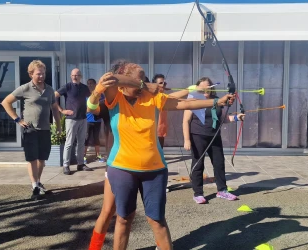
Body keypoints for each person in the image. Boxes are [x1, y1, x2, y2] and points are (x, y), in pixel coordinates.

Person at [87, 60, 235, 250]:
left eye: (144, 79)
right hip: (121, 168)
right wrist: (145, 84)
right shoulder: (115, 98)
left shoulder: (151, 97)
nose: (144, 83)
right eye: (139, 79)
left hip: (155, 170)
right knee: (124, 219)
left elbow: (183, 103)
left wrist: (216, 101)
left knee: (157, 220)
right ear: (125, 83)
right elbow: (111, 79)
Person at [1, 60, 61, 200]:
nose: (42, 76)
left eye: (43, 73)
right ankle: (34, 185)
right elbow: (6, 102)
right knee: (32, 159)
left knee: (42, 160)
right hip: (30, 129)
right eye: (39, 74)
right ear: (31, 74)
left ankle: (38, 183)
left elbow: (54, 108)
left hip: (45, 129)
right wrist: (17, 119)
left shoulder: (49, 89)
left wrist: (58, 125)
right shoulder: (25, 88)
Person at [182, 77, 245, 204]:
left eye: (208, 87)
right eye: (203, 87)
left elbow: (224, 119)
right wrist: (187, 140)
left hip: (214, 136)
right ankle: (198, 193)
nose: (206, 89)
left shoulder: (217, 100)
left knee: (219, 163)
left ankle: (222, 190)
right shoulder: (192, 100)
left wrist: (237, 118)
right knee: (198, 165)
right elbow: (186, 121)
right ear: (197, 88)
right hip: (197, 136)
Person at [55, 68, 93, 175]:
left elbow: (91, 99)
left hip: (83, 118)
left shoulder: (85, 88)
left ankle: (80, 164)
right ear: (71, 76)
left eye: (77, 75)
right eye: (73, 75)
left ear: (80, 76)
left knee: (81, 143)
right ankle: (66, 165)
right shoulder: (67, 86)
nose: (74, 77)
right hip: (71, 119)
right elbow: (53, 96)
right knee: (69, 143)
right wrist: (62, 110)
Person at [84, 78, 105, 163]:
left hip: (97, 120)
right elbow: (84, 107)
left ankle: (98, 155)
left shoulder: (100, 95)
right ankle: (84, 156)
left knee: (97, 138)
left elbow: (103, 105)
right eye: (88, 83)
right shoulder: (85, 95)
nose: (90, 85)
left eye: (92, 83)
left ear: (95, 84)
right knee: (86, 138)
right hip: (88, 120)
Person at [152, 74, 168, 148]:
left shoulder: (164, 96)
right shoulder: (151, 96)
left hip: (161, 130)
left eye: (164, 83)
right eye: (160, 83)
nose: (163, 85)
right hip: (151, 130)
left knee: (160, 152)